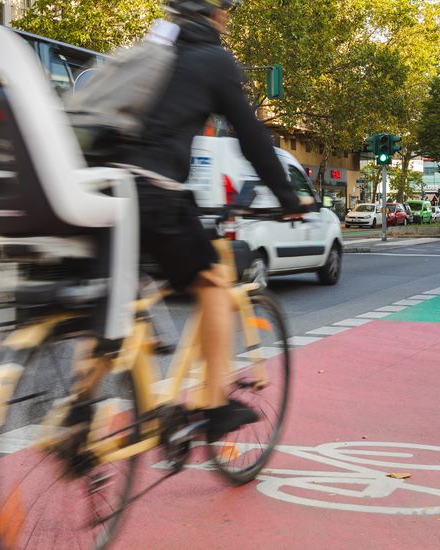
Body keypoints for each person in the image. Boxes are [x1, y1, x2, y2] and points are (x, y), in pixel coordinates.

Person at [108, 0, 308, 439]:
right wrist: (287, 195)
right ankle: (213, 405)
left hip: (100, 188)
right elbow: (252, 137)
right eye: (227, 10)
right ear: (215, 14)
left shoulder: (153, 49)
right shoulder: (214, 59)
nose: (228, 18)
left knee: (109, 307)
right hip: (151, 191)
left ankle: (73, 414)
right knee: (214, 283)